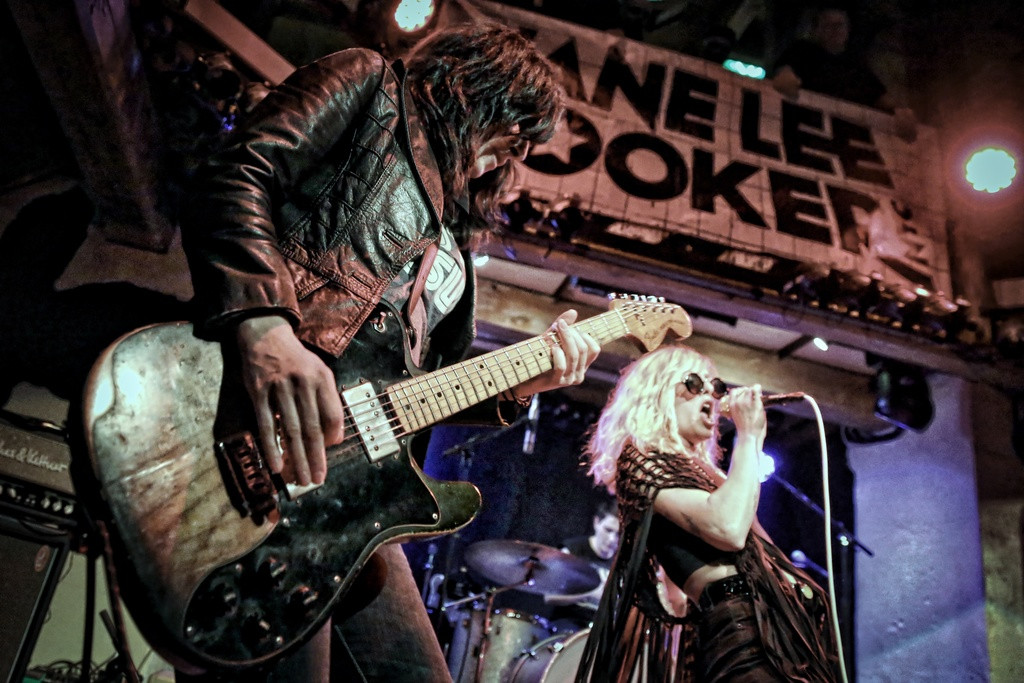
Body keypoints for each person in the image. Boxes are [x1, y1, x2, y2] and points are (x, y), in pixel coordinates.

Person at [181, 21, 601, 683]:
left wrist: (525, 382)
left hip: (359, 487)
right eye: (516, 126)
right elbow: (235, 176)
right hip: (267, 437)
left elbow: (425, 387)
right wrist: (265, 326)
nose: (515, 152)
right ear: (474, 85)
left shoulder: (453, 238)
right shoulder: (371, 84)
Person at [574, 343, 840, 682]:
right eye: (694, 384)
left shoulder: (707, 475)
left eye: (715, 387)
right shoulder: (640, 460)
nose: (711, 396)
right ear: (658, 391)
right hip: (741, 630)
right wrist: (749, 438)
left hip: (779, 628)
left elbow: (759, 546)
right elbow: (728, 529)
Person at [771, 2, 916, 141]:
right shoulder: (801, 52)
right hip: (807, 134)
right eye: (828, 25)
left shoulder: (857, 67)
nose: (835, 30)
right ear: (816, 30)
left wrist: (901, 111)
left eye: (840, 25)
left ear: (848, 30)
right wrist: (785, 78)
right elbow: (783, 72)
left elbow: (881, 97)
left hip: (849, 141)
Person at [544, 498, 620, 631]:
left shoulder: (623, 563)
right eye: (608, 530)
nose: (612, 539)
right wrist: (590, 594)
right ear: (596, 522)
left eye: (619, 534)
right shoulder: (573, 550)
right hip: (569, 623)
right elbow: (549, 597)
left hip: (602, 629)